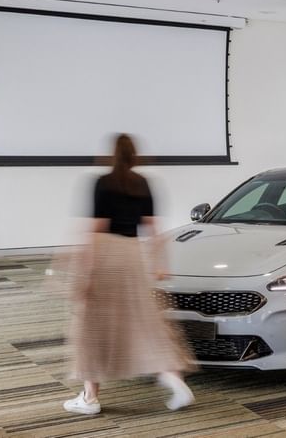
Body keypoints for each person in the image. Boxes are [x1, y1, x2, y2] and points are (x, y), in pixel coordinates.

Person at [63, 134, 194, 415]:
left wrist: (82, 272)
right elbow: (154, 231)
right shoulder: (142, 183)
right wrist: (160, 264)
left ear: (112, 155)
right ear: (135, 155)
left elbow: (95, 229)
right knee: (146, 322)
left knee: (92, 326)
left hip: (106, 253)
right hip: (132, 254)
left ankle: (89, 398)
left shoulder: (102, 183)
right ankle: (173, 380)